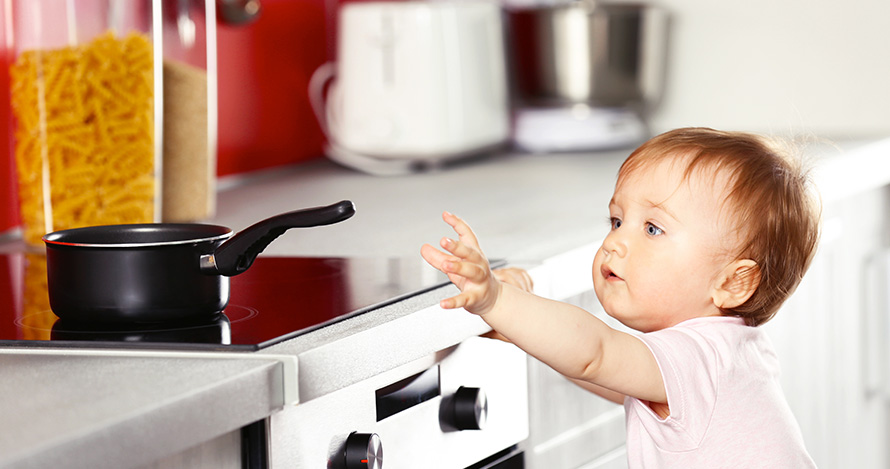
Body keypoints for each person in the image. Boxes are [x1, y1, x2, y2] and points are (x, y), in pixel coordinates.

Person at [421, 127, 820, 467]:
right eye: (616, 220)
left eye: (652, 229)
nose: (615, 242)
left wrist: (496, 301)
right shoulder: (731, 350)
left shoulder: (698, 357)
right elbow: (613, 375)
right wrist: (522, 327)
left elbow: (595, 354)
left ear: (733, 284)